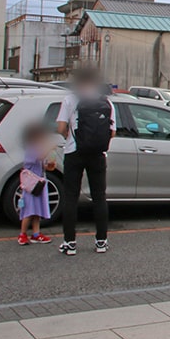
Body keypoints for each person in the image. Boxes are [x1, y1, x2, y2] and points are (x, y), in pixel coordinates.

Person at [56, 69, 116, 256]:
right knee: (99, 196)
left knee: (71, 197)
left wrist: (70, 136)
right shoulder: (106, 102)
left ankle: (70, 242)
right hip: (98, 154)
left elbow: (60, 127)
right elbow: (112, 131)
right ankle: (101, 241)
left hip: (74, 152)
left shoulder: (70, 100)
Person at [17, 122, 56, 246]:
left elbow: (44, 164)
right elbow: (39, 157)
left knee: (37, 211)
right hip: (31, 186)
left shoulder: (38, 149)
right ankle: (23, 234)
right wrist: (49, 148)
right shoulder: (31, 150)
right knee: (29, 210)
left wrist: (50, 165)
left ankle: (36, 233)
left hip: (39, 184)